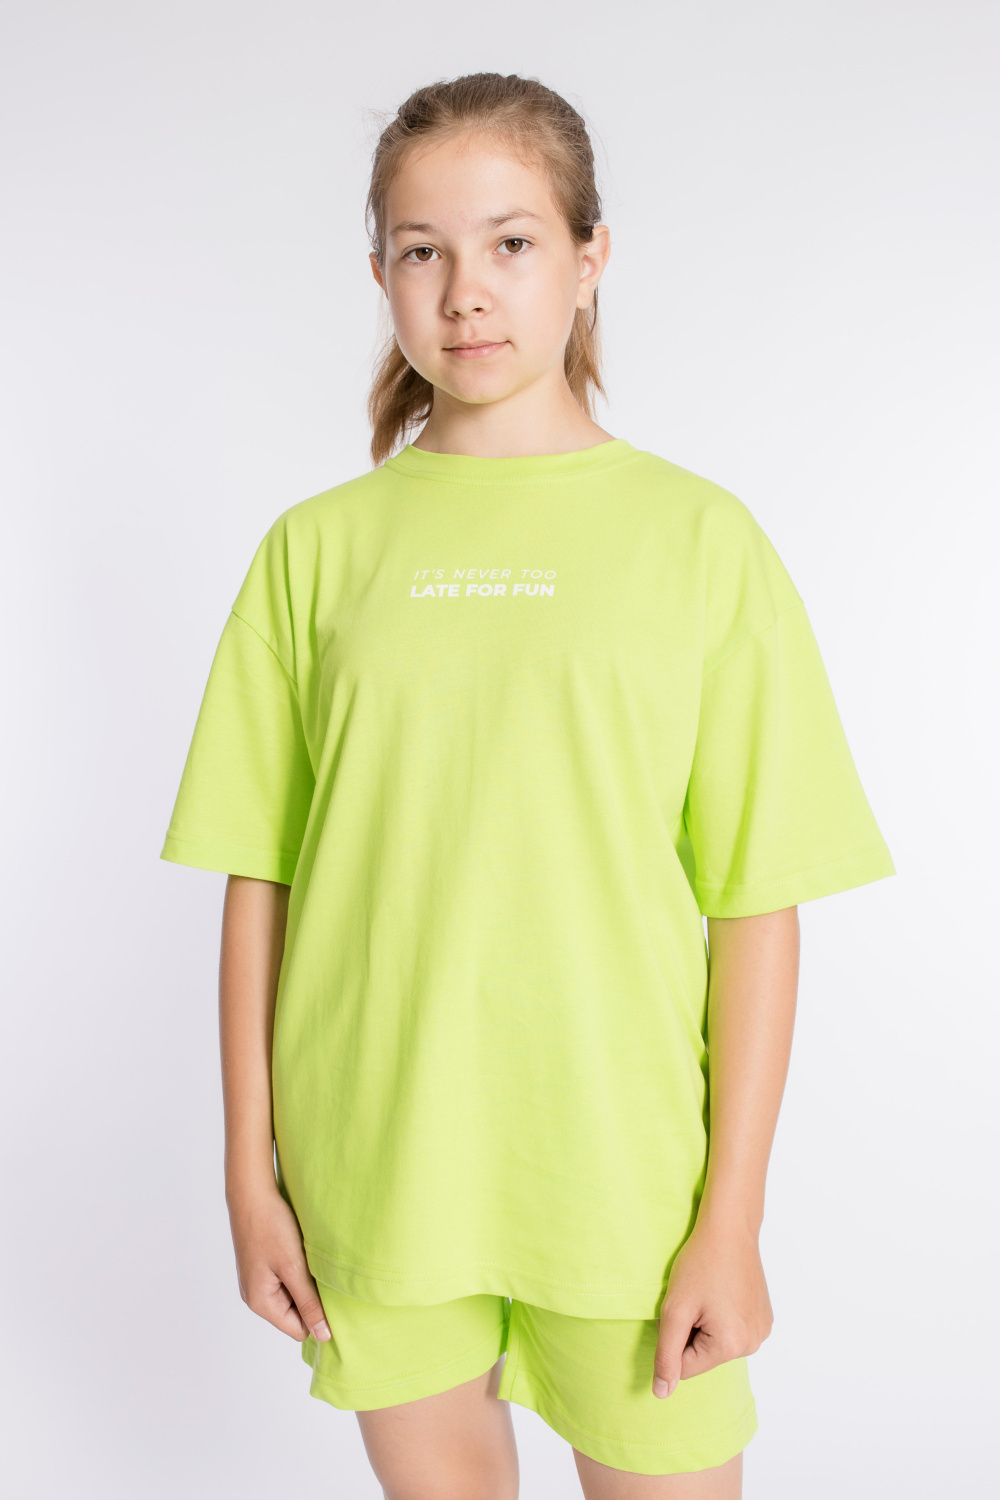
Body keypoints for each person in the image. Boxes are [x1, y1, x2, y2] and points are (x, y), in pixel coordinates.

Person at [160, 72, 895, 1500]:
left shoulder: (701, 542)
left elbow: (757, 902)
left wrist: (731, 1217)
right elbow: (265, 878)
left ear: (589, 254)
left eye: (511, 242)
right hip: (376, 1156)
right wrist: (249, 1175)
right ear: (380, 272)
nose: (466, 293)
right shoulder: (316, 552)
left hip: (621, 1174)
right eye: (420, 250)